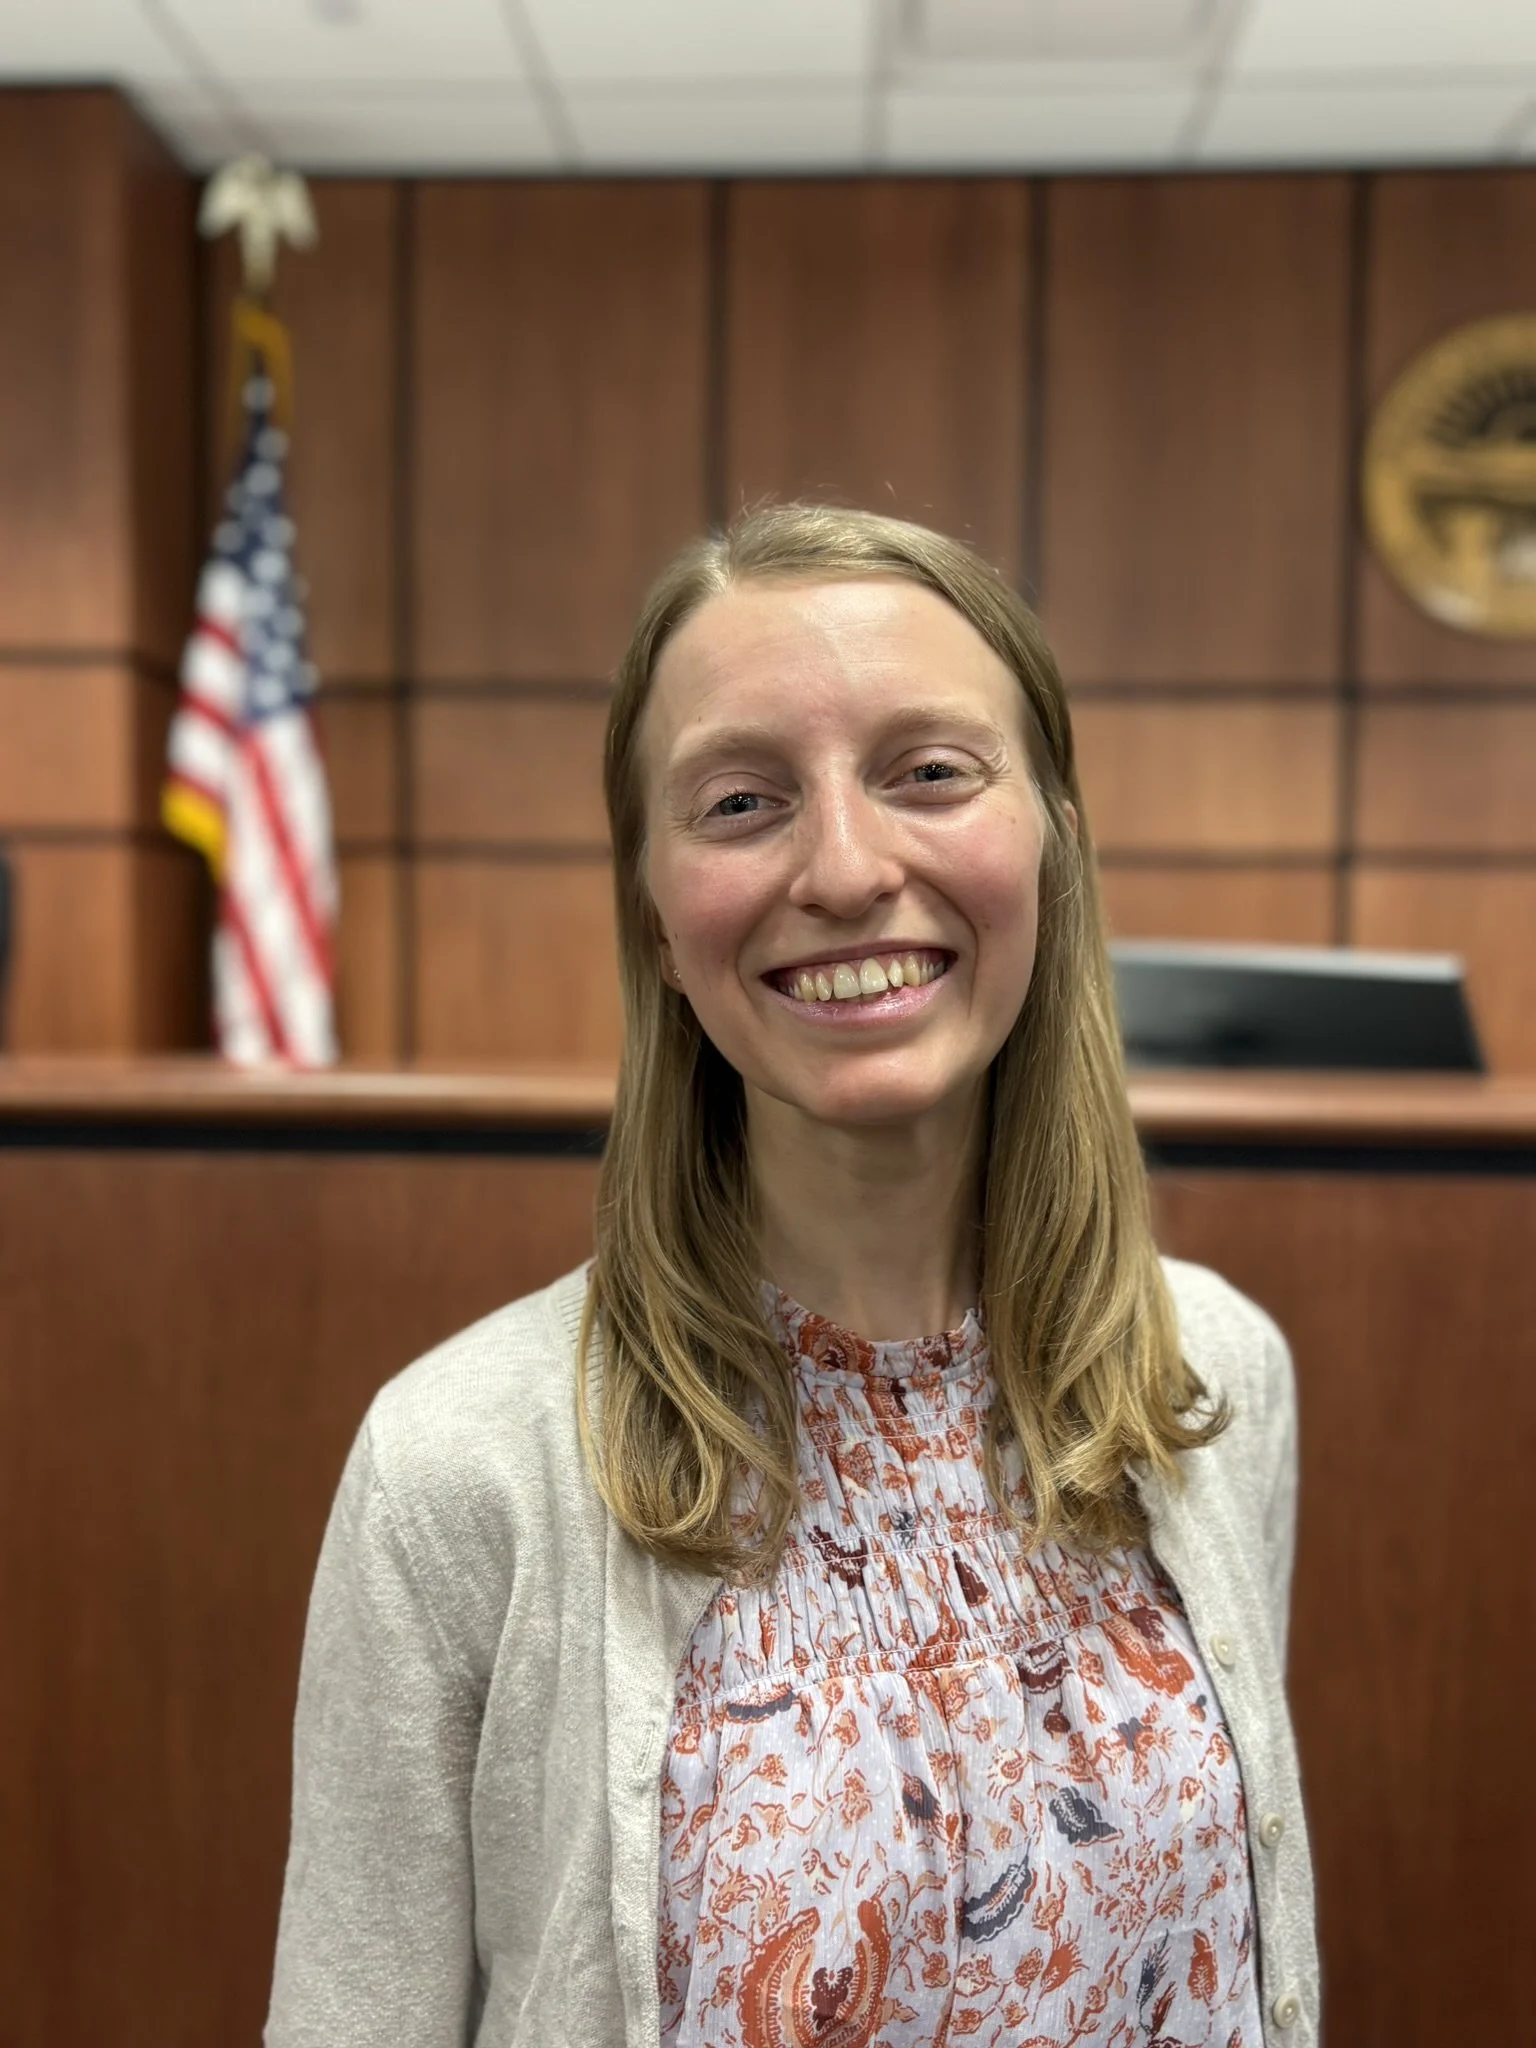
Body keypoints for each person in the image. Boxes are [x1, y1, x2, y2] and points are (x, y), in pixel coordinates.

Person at [266, 504, 1318, 2048]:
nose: (844, 866)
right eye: (744, 800)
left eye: (930, 773)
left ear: (1052, 839)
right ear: (654, 906)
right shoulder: (454, 1468)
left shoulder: (1213, 1378)